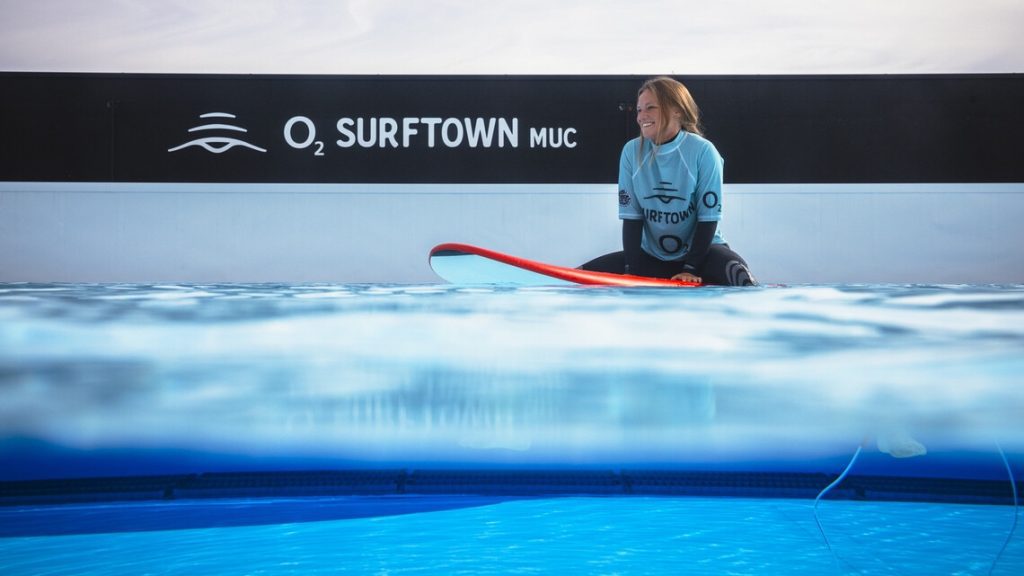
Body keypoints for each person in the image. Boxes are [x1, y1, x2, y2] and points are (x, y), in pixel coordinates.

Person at [580, 77, 756, 286]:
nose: (641, 116)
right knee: (578, 275)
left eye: (650, 108)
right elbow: (632, 219)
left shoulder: (703, 151)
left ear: (677, 110)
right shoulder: (631, 152)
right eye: (638, 110)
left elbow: (708, 218)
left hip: (704, 256)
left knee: (740, 276)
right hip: (652, 258)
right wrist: (633, 272)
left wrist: (690, 269)